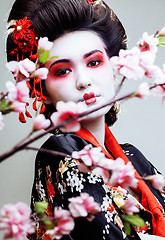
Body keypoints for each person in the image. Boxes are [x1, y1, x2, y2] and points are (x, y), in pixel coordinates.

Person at [6, 0, 165, 239]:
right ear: (43, 91)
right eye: (62, 71)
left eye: (93, 62)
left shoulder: (133, 158)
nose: (83, 81)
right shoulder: (61, 152)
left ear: (114, 67)